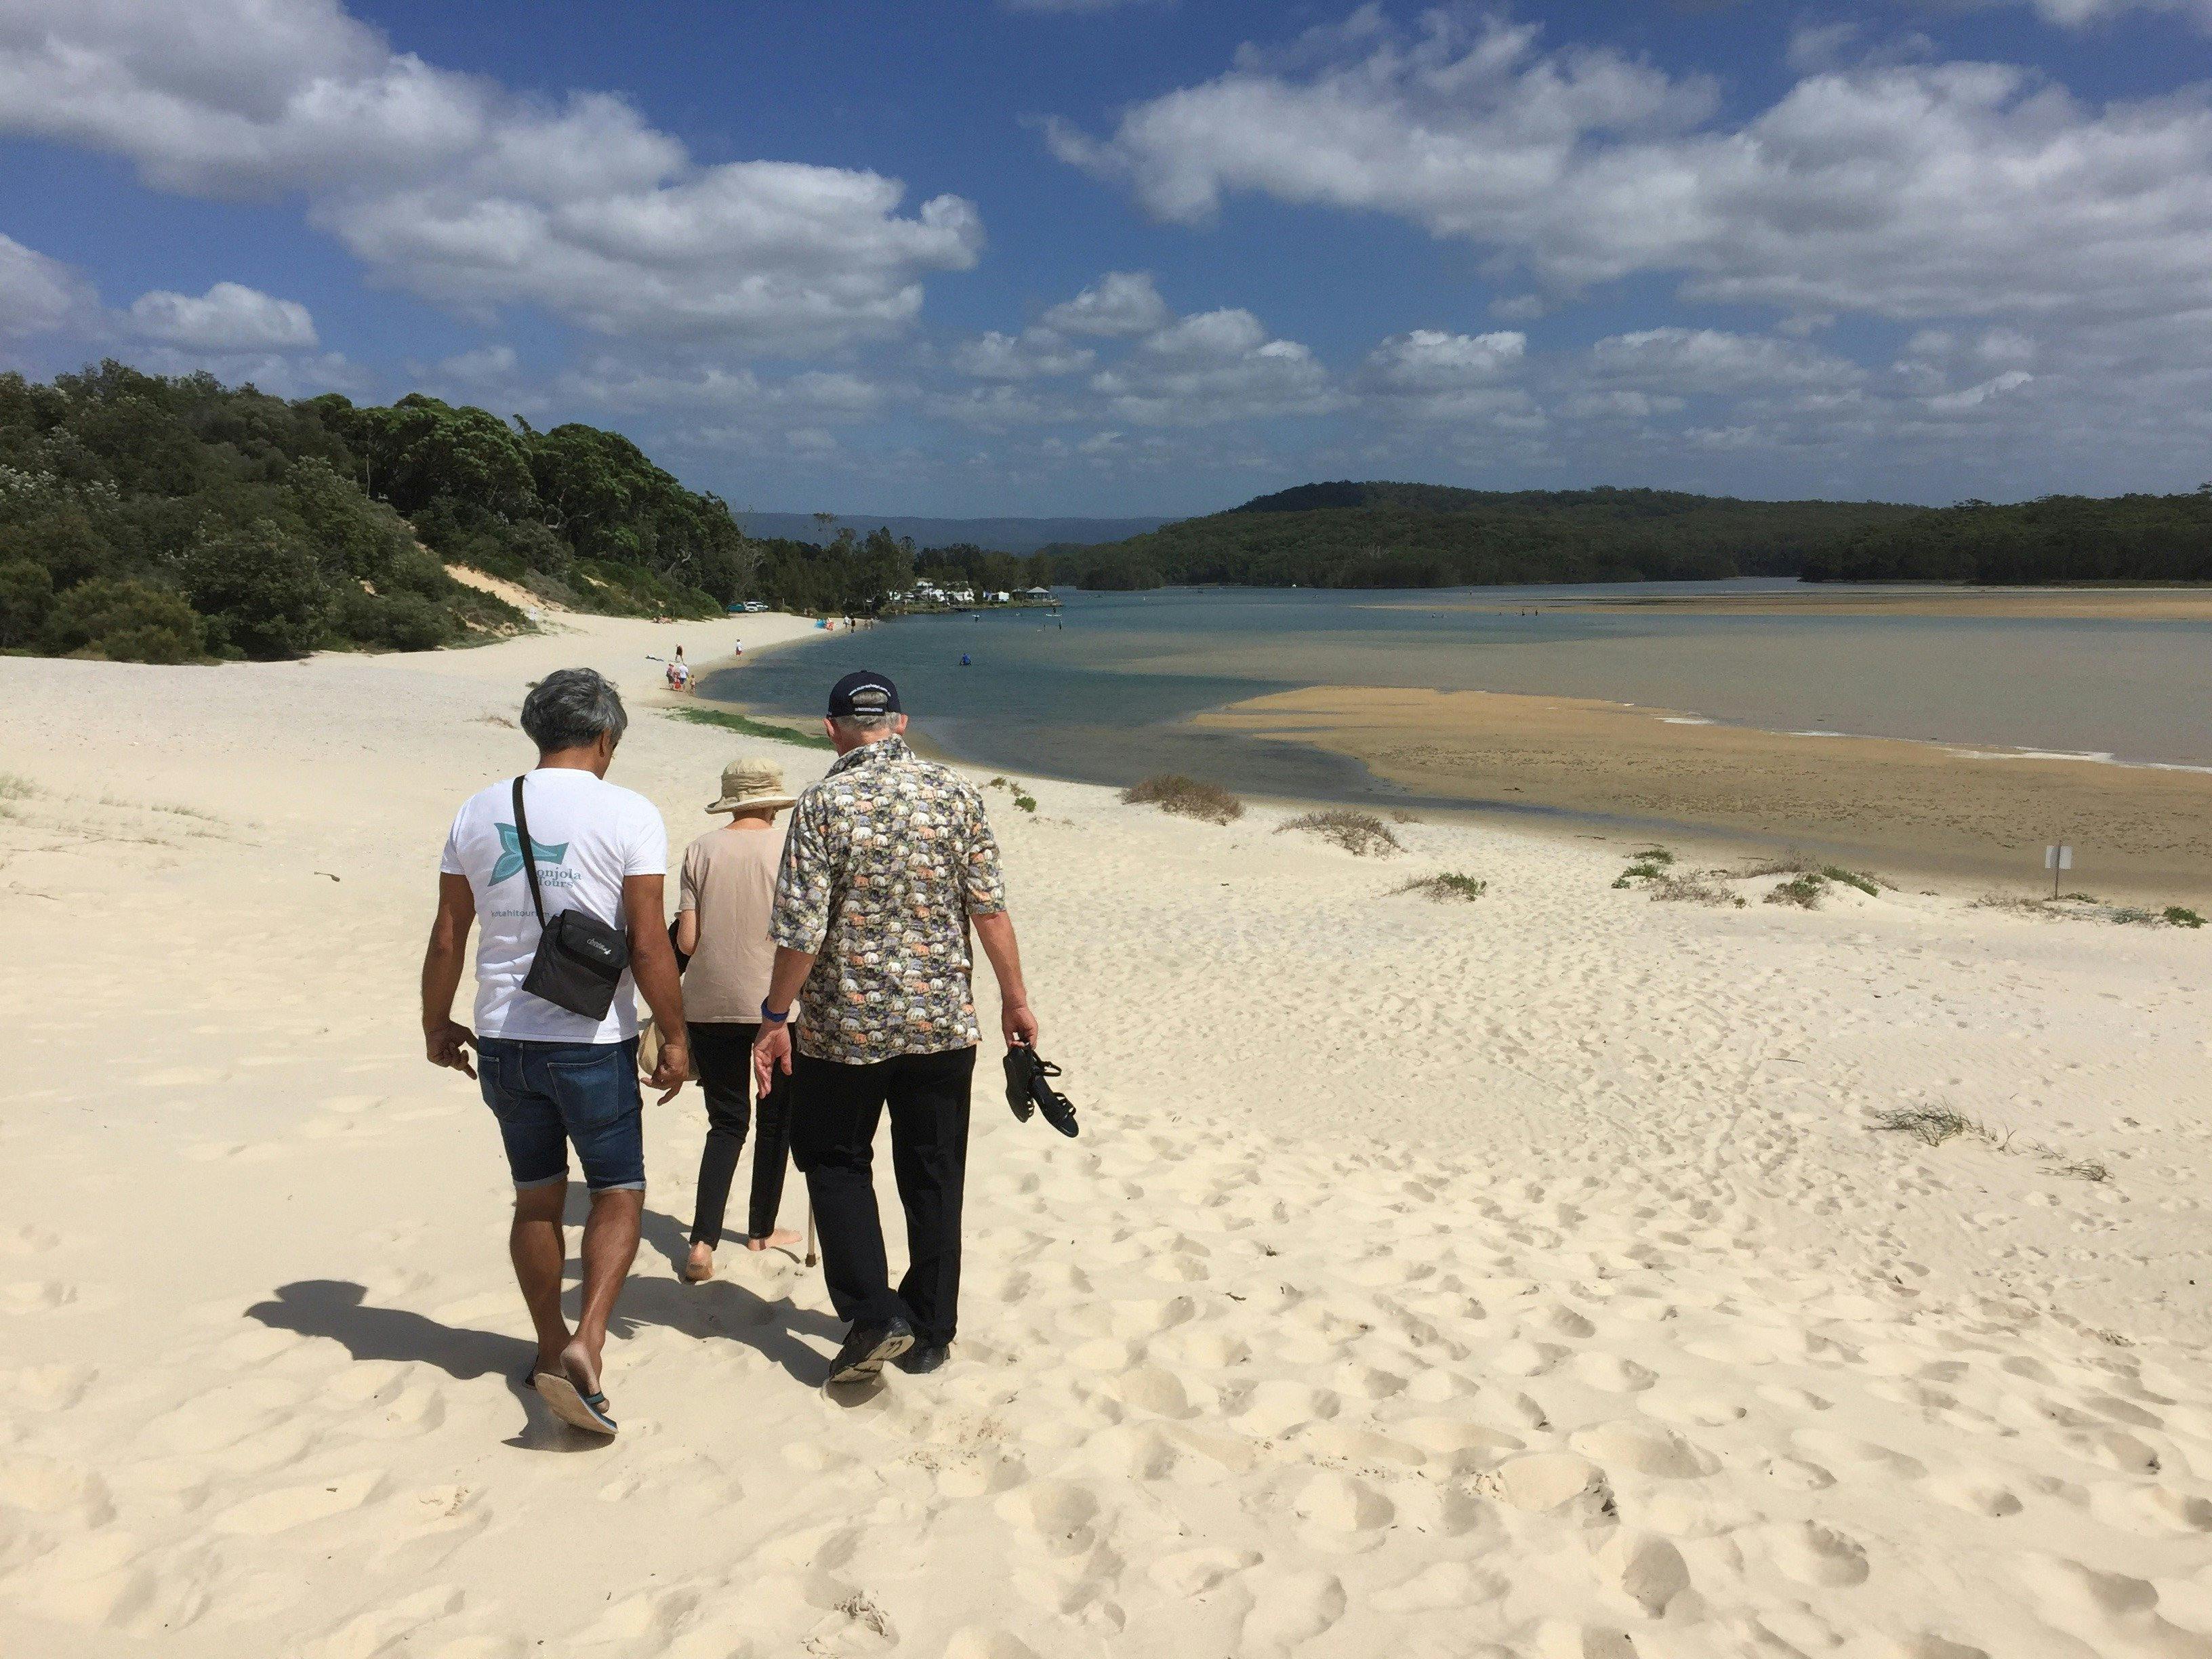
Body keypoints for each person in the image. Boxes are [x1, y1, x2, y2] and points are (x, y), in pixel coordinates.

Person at [419, 668, 689, 1437]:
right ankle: (590, 1341)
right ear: (605, 737)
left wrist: (436, 1023)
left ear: (539, 732)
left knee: (537, 1197)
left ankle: (546, 1344)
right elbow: (646, 941)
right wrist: (675, 1035)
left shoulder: (479, 809)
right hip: (591, 1040)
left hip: (504, 1036)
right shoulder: (630, 813)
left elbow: (448, 933)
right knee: (618, 1190)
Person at [754, 670, 1038, 1385]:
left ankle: (876, 1311)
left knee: (835, 1157)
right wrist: (1014, 998)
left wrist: (774, 1015)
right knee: (935, 1171)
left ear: (831, 728)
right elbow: (990, 911)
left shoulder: (822, 804)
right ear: (901, 723)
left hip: (845, 1029)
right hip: (942, 1023)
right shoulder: (955, 795)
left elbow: (800, 931)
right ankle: (933, 1327)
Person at [676, 758, 804, 1281]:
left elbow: (686, 941)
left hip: (708, 1001)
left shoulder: (700, 849)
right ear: (773, 800)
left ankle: (703, 1242)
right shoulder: (791, 846)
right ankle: (759, 1229)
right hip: (777, 1002)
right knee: (776, 1119)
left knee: (726, 1122)